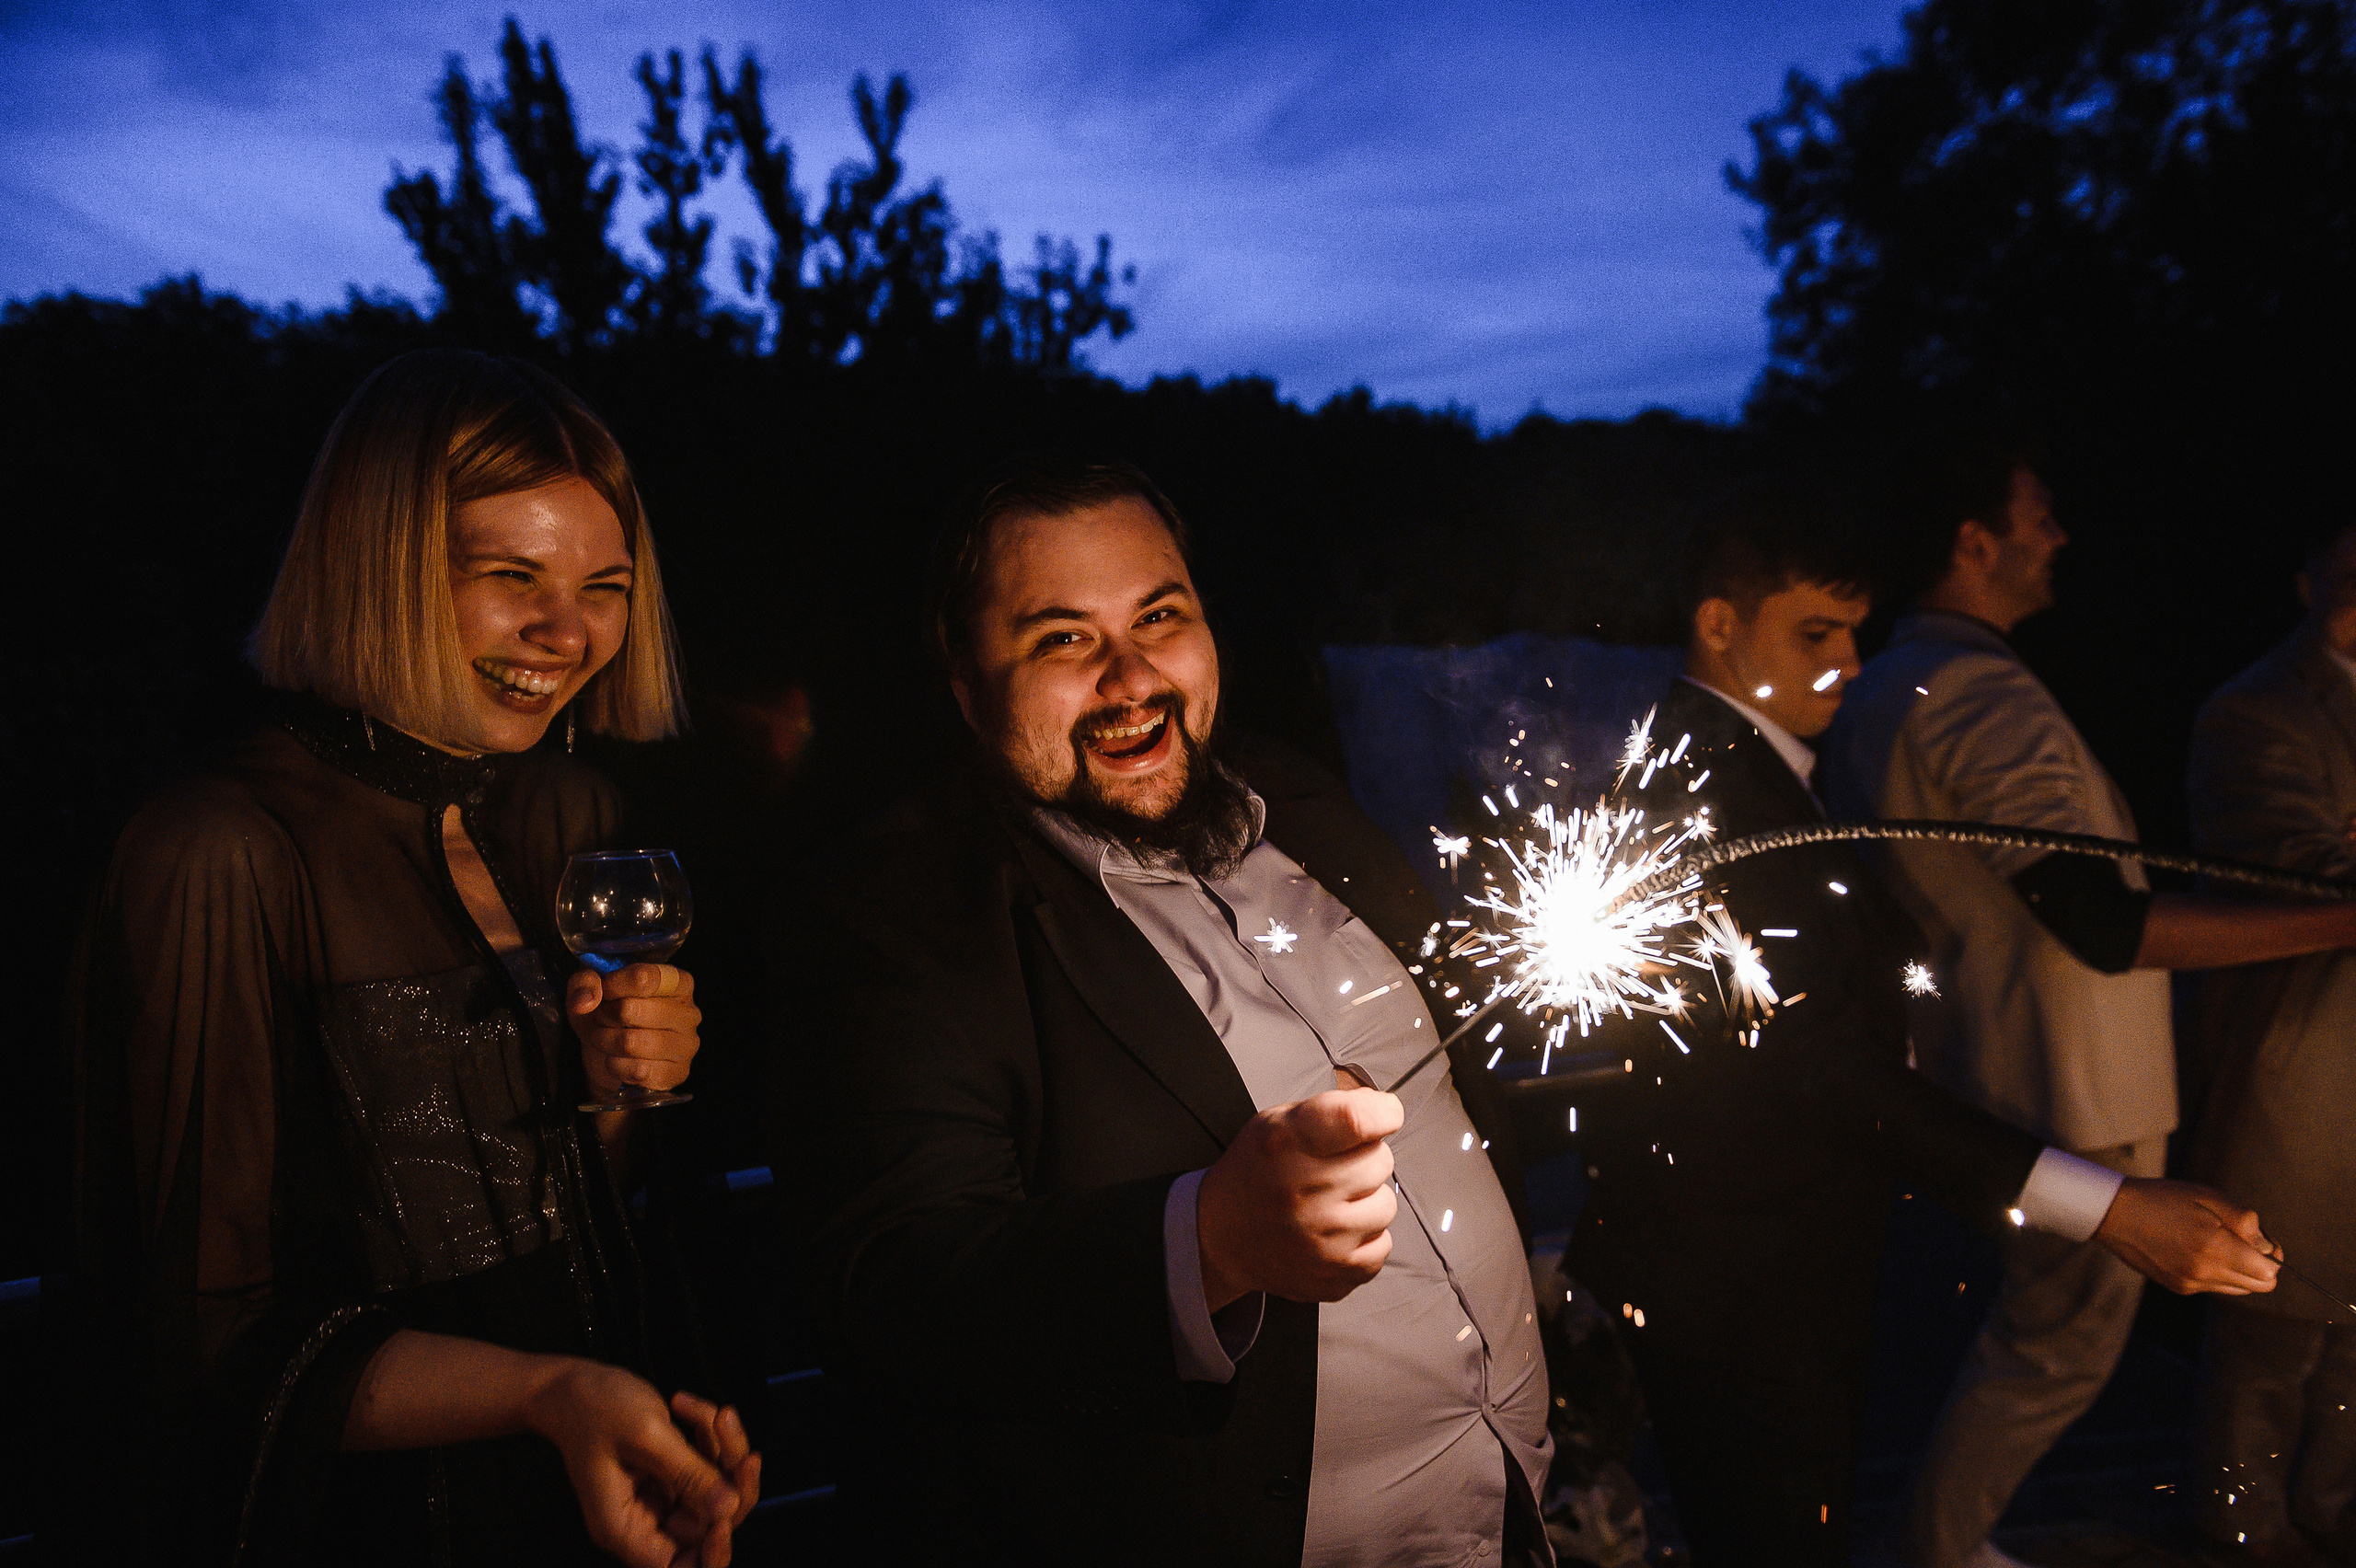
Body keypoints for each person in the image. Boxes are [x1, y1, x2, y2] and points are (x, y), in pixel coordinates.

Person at [792, 455, 1551, 1566]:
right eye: (1063, 639)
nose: (1132, 676)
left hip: (1505, 1509)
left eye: (1159, 617)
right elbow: (896, 1290)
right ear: (963, 681)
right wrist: (1210, 1239)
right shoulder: (897, 917)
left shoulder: (1299, 797)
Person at [69, 351, 758, 1567]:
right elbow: (203, 1341)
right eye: (511, 576)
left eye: (603, 587)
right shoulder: (218, 852)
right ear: (375, 565)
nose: (568, 633)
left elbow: (563, 1222)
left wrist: (611, 1091)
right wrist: (543, 1394)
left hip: (594, 1497)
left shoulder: (566, 818)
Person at [1570, 477, 2279, 1568]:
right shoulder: (1715, 796)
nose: (1852, 664)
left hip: (1757, 1256)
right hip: (1744, 1275)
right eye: (1816, 633)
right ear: (1717, 623)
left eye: (1854, 632)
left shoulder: (1746, 764)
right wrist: (2109, 1207)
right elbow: (1817, 1069)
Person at [1825, 432, 2355, 1568]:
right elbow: (2105, 924)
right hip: (2068, 1079)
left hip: (1995, 1059)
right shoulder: (1972, 689)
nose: (2058, 536)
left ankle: (1944, 1544)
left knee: (2042, 1341)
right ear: (1975, 542)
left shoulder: (1889, 679)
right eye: (2038, 515)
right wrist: (2340, 918)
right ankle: (1934, 1550)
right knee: (2053, 1349)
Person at [2185, 515, 2356, 1565]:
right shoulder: (2255, 710)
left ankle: (2333, 1509)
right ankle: (2240, 1519)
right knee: (2274, 1307)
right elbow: (2293, 867)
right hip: (2303, 1053)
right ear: (2307, 581)